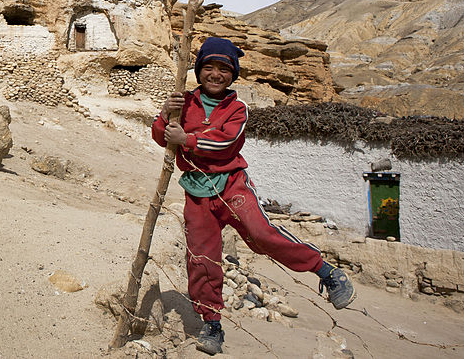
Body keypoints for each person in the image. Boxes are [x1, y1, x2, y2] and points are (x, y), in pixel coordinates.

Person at [152, 36, 355, 355]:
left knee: (262, 235)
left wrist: (187, 140)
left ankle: (325, 271)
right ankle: (211, 323)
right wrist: (166, 113)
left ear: (233, 74)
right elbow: (160, 135)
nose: (215, 74)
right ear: (198, 70)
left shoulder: (237, 109)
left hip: (231, 186)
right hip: (196, 191)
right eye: (209, 67)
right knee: (201, 258)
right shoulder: (184, 103)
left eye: (223, 68)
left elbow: (226, 143)